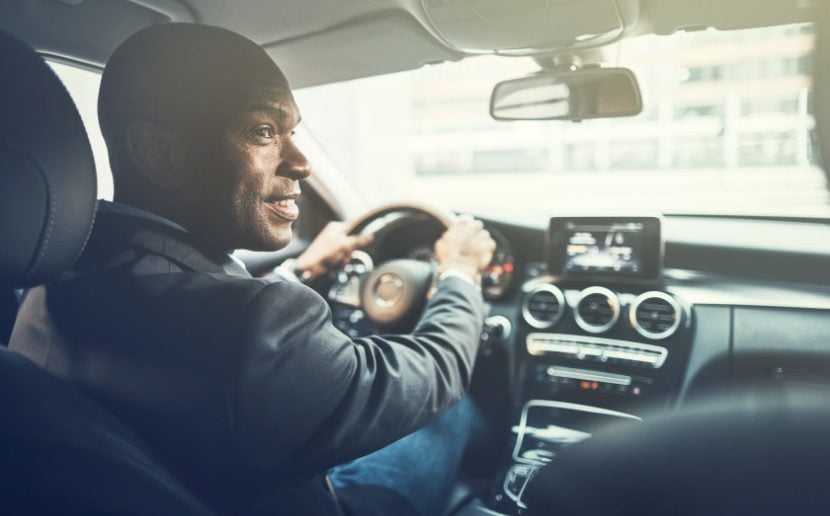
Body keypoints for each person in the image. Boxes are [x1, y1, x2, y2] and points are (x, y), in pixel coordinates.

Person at [10, 23, 496, 516]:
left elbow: (210, 327)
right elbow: (437, 370)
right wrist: (460, 274)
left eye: (293, 131)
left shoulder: (59, 271)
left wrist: (300, 272)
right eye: (263, 131)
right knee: (451, 414)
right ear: (160, 154)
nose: (302, 162)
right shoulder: (252, 325)